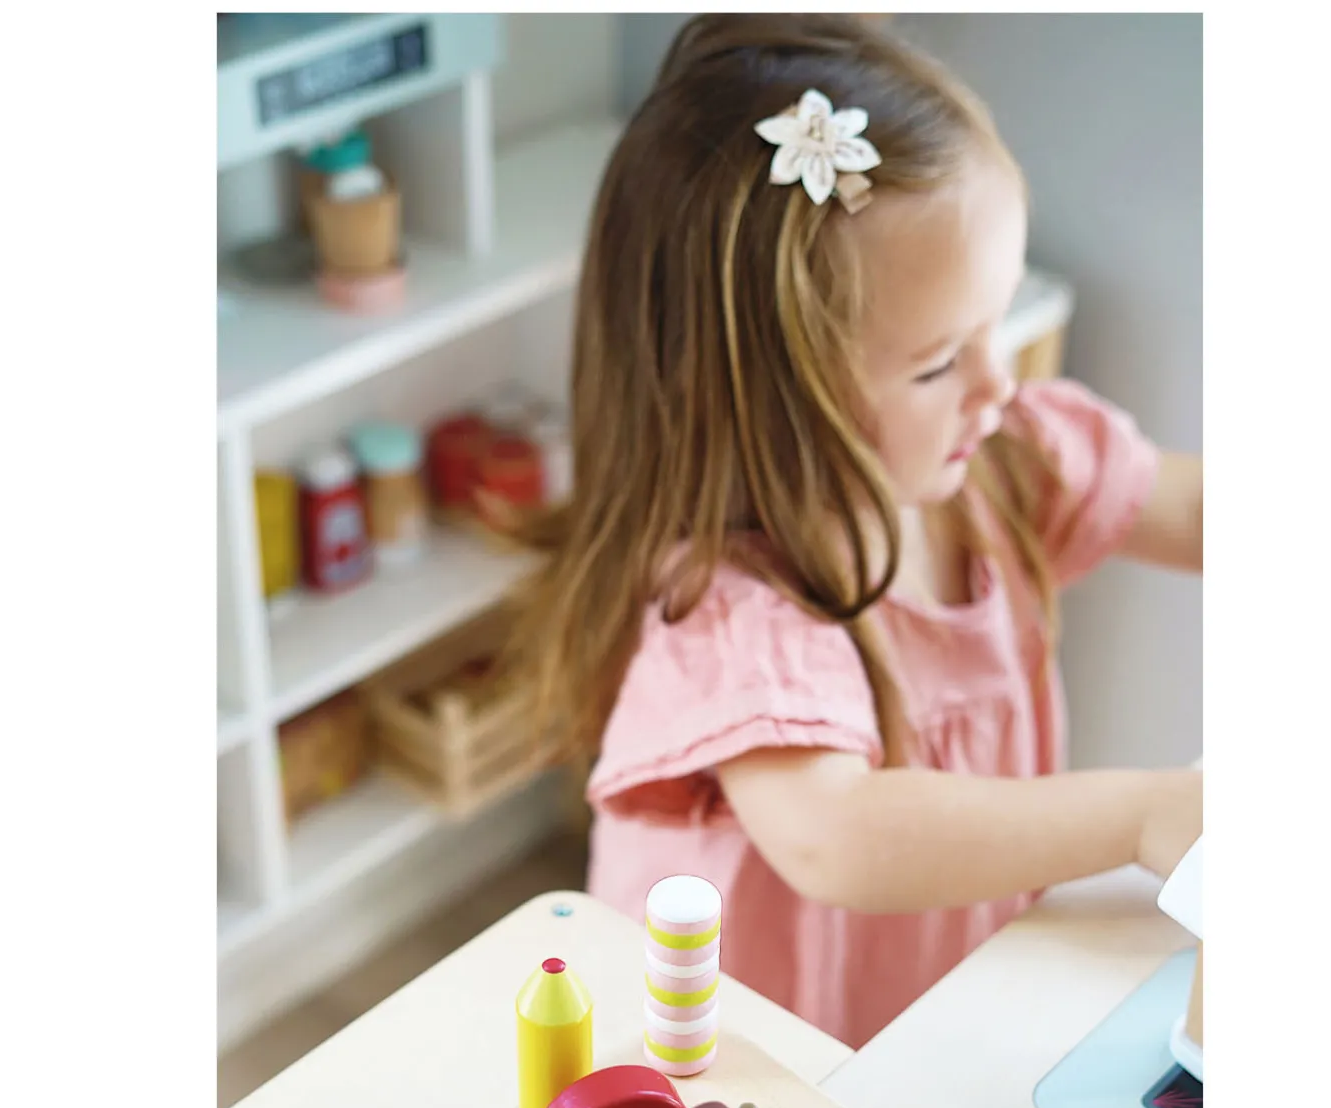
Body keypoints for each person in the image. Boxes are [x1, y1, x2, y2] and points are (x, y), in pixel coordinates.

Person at [498, 13, 1203, 1050]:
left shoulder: (1001, 460)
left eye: (997, 321)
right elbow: (838, 838)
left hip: (933, 1009)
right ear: (768, 403)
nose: (997, 382)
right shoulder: (730, 601)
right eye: (938, 362)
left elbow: (1190, 508)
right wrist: (1143, 816)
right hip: (746, 1047)